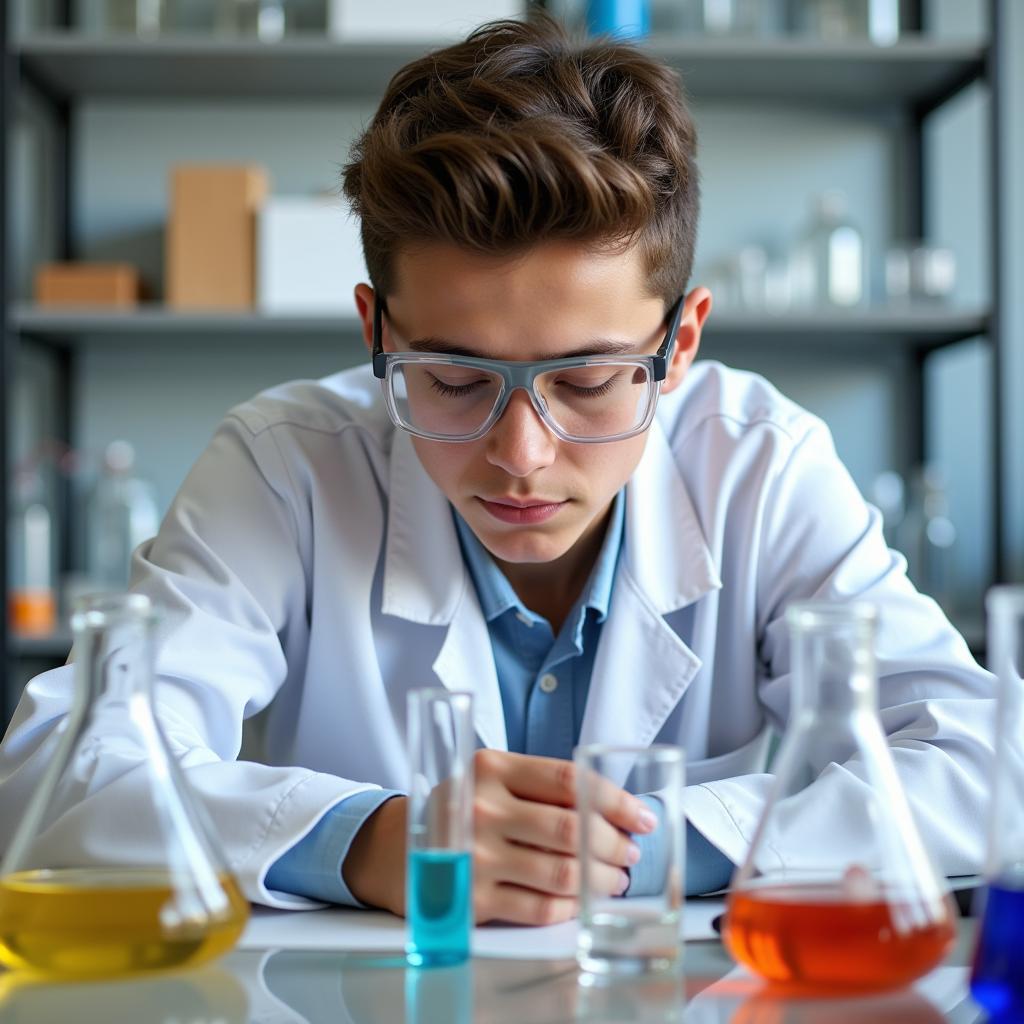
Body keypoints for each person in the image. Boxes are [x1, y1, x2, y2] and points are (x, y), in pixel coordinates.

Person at [0, 16, 993, 926]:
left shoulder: (759, 462)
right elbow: (57, 777)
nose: (521, 454)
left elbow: (991, 764)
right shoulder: (284, 464)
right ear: (375, 330)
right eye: (451, 378)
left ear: (679, 341)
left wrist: (649, 849)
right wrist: (368, 842)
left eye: (592, 379)